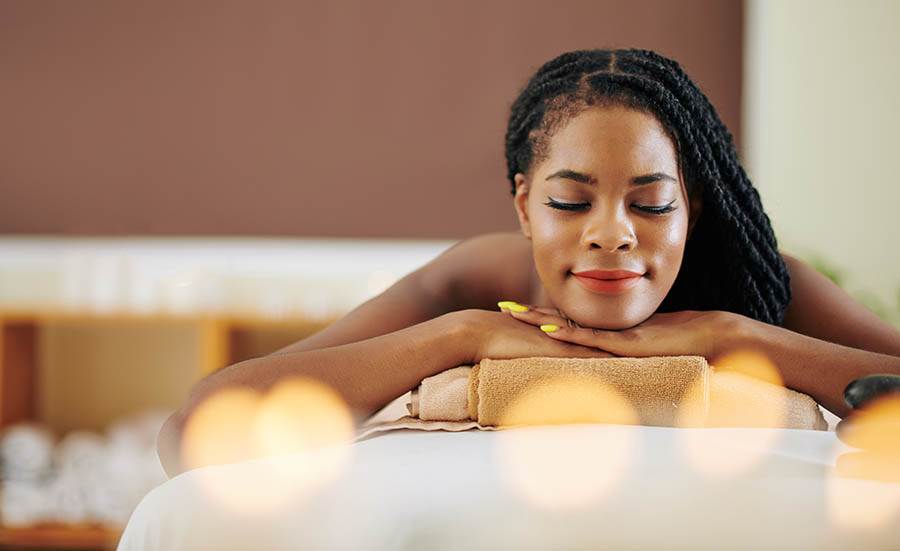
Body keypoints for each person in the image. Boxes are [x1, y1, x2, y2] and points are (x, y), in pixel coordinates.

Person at [157, 48, 900, 477]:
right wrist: (464, 336)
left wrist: (733, 339)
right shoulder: (476, 280)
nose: (612, 234)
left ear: (693, 210)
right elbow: (195, 430)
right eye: (572, 203)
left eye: (651, 203)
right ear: (523, 206)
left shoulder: (766, 283)